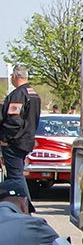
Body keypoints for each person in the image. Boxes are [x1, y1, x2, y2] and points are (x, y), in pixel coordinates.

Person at [1, 64, 41, 208]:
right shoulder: (33, 93)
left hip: (14, 142)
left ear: (14, 76)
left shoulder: (18, 94)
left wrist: (4, 139)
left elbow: (14, 121)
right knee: (17, 175)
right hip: (26, 140)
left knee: (16, 177)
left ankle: (26, 207)